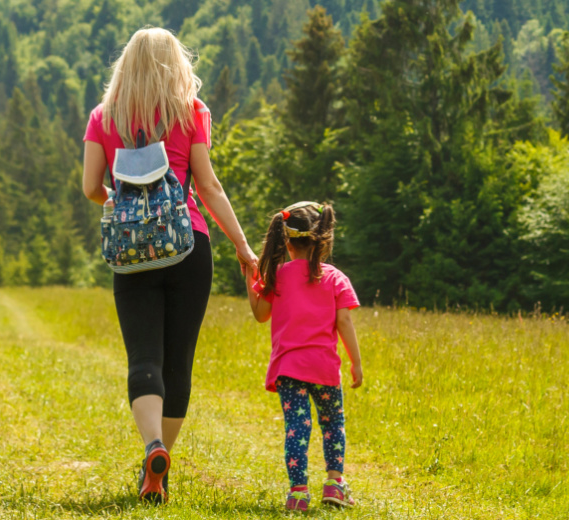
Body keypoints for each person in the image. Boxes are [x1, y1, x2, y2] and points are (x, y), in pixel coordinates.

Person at [80, 27, 259, 504]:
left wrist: (122, 205)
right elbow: (209, 186)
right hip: (188, 245)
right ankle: (154, 471)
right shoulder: (190, 112)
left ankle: (152, 445)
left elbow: (90, 187)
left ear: (126, 65)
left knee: (144, 358)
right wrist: (243, 248)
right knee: (179, 363)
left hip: (131, 256)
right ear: (174, 64)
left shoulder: (103, 117)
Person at [244, 201, 364, 512]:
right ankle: (335, 484)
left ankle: (298, 493)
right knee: (332, 423)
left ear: (287, 241)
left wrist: (250, 276)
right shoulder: (335, 277)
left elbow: (260, 314)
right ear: (323, 239)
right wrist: (356, 362)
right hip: (324, 368)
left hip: (288, 369)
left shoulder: (279, 275)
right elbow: (344, 322)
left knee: (297, 427)